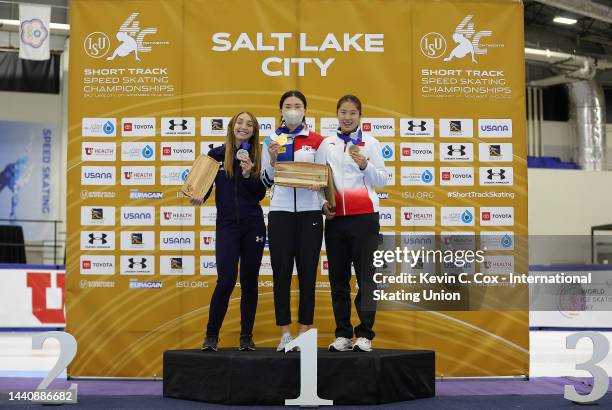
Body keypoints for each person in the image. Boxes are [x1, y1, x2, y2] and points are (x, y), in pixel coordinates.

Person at [316, 95, 387, 352]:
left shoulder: (371, 143)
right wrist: (323, 204)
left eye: (353, 113)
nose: (347, 117)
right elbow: (320, 180)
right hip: (336, 220)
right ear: (337, 114)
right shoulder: (327, 144)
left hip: (365, 219)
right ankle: (343, 334)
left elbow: (382, 180)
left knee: (367, 279)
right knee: (338, 279)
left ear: (360, 116)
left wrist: (365, 164)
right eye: (343, 112)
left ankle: (365, 334)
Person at [192, 111, 266, 352]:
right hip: (226, 227)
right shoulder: (215, 155)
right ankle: (211, 336)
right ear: (232, 126)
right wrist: (198, 196)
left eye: (249, 124)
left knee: (249, 281)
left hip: (253, 224)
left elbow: (260, 195)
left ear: (253, 131)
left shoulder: (257, 155)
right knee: (225, 281)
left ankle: (246, 337)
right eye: (240, 122)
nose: (244, 127)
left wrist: (248, 174)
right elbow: (203, 188)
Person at [261, 90, 325, 351]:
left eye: (297, 105)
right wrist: (274, 159)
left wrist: (319, 191)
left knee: (308, 274)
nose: (293, 109)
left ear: (305, 110)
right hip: (281, 212)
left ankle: (304, 332)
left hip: (310, 213)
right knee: (282, 274)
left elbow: (324, 179)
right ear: (280, 110)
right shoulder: (271, 140)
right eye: (288, 106)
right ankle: (285, 333)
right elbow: (265, 180)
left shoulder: (318, 141)